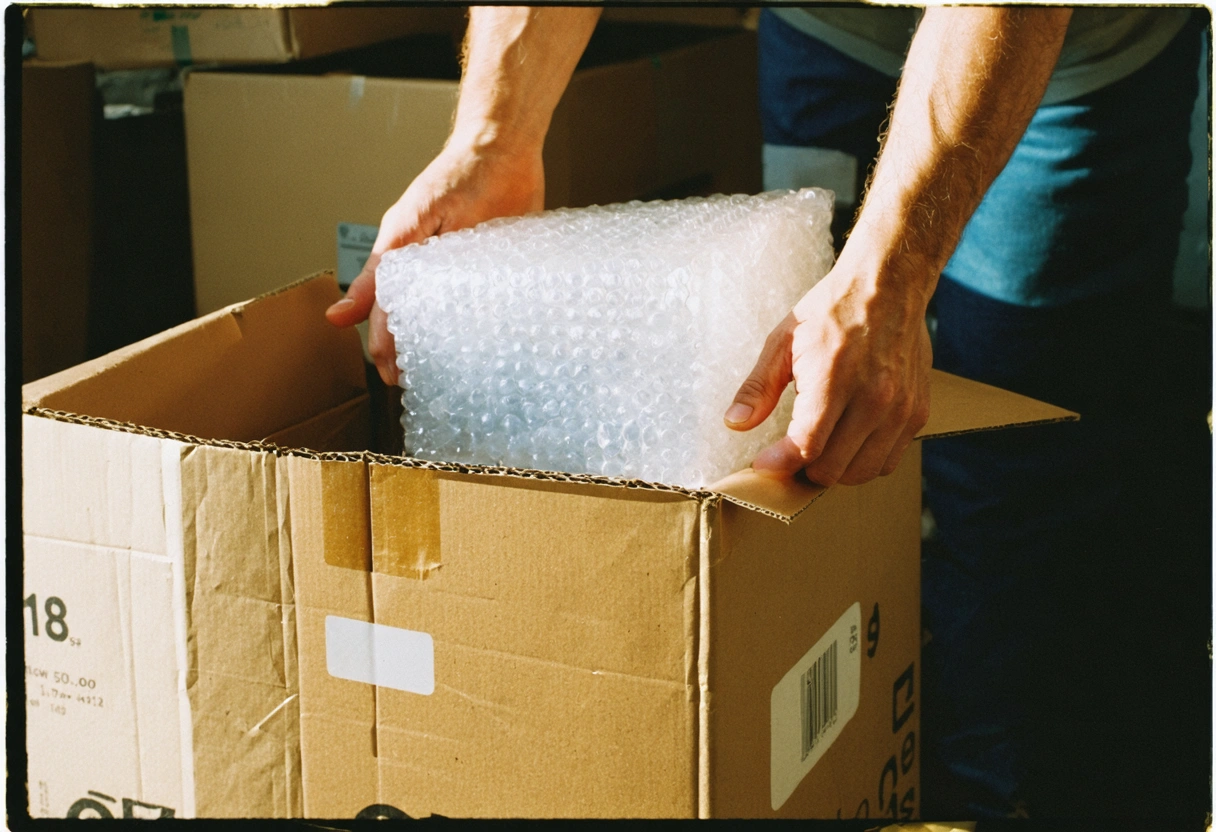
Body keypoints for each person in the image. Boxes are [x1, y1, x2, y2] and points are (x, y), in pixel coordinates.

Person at [326, 5, 1205, 819]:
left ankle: (1016, 781)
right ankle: (869, 748)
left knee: (1022, 461)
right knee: (814, 431)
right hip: (834, 28)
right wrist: (493, 136)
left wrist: (889, 278)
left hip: (1053, 49)